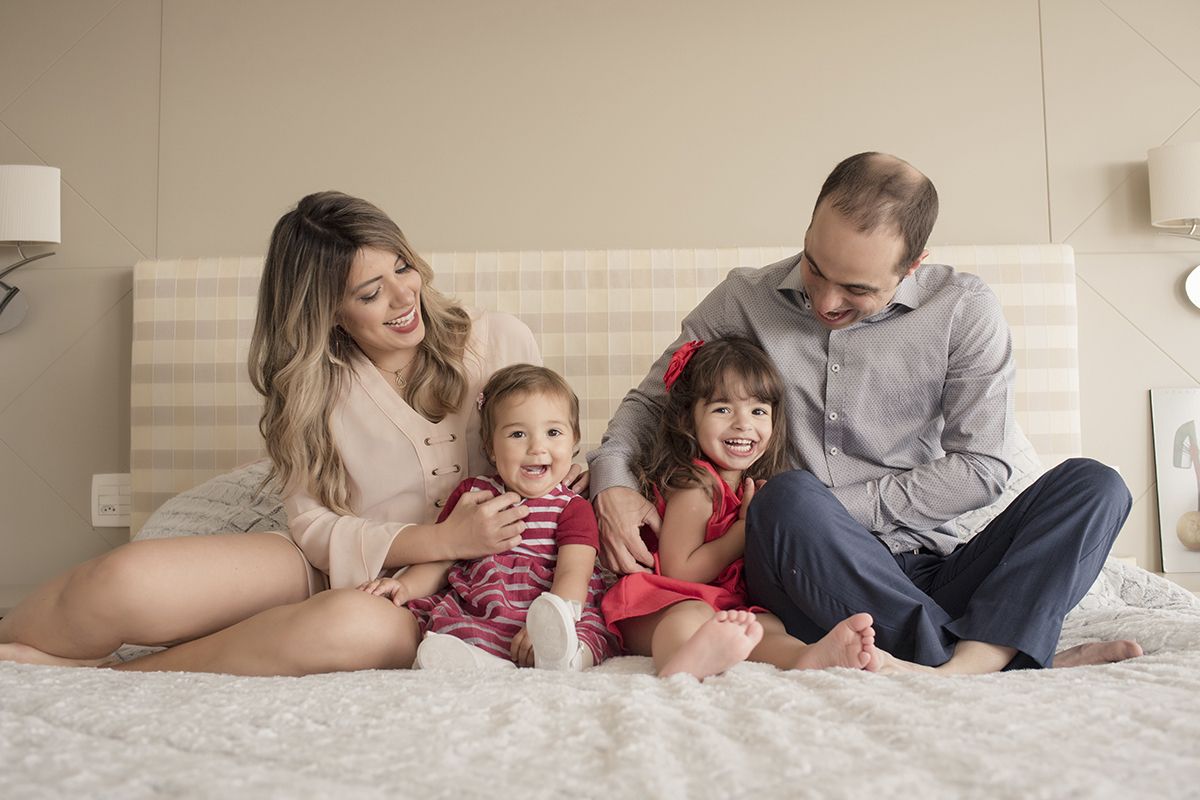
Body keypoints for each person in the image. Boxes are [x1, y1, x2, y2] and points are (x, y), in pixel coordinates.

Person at [588, 152, 1143, 674]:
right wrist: (611, 483)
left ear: (913, 264)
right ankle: (991, 656)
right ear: (808, 231)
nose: (826, 302)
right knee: (786, 497)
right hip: (800, 568)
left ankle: (958, 662)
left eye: (856, 289)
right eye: (814, 267)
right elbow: (651, 400)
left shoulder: (963, 309)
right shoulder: (742, 298)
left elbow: (983, 465)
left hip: (931, 566)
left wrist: (842, 510)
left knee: (1097, 485)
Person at [0, 191, 553, 676]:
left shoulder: (499, 340)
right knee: (123, 579)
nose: (405, 297)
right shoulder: (314, 385)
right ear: (329, 310)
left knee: (346, 627)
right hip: (337, 564)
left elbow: (545, 459)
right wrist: (440, 539)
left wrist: (458, 551)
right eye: (370, 293)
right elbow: (311, 523)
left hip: (465, 585)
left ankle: (116, 675)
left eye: (403, 268)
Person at [601, 337, 890, 679]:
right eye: (722, 409)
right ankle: (679, 664)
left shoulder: (750, 486)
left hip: (721, 604)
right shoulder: (695, 484)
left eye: (758, 411)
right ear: (687, 419)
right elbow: (678, 571)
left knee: (766, 624)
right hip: (658, 603)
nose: (743, 423)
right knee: (688, 616)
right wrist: (742, 530)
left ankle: (806, 656)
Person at [358, 363, 619, 671]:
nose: (537, 447)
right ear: (490, 447)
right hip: (486, 601)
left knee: (589, 629)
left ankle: (568, 656)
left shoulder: (573, 507)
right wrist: (406, 586)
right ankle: (476, 660)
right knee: (452, 620)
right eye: (518, 434)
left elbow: (574, 573)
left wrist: (553, 617)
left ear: (573, 439)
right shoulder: (475, 496)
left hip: (552, 603)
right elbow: (444, 558)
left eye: (553, 432)